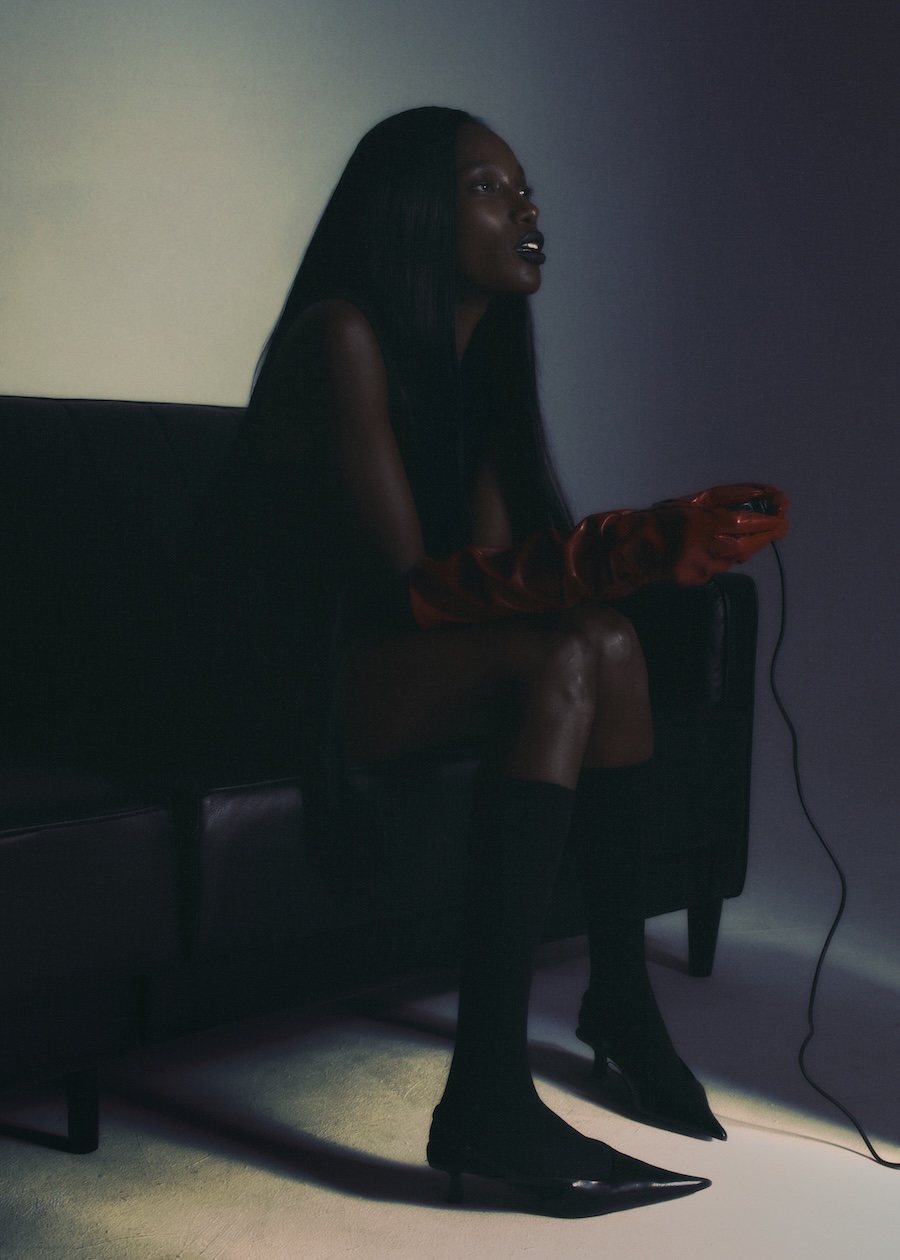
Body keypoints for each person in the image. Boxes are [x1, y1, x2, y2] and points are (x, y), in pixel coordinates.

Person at [229, 106, 788, 1215]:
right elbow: (407, 590)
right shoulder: (340, 336)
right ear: (413, 211)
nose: (526, 207)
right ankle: (486, 1096)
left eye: (525, 186)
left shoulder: (482, 365)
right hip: (283, 681)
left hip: (389, 660)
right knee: (562, 664)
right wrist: (628, 543)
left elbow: (493, 578)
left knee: (606, 642)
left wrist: (653, 553)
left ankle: (620, 999)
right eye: (487, 186)